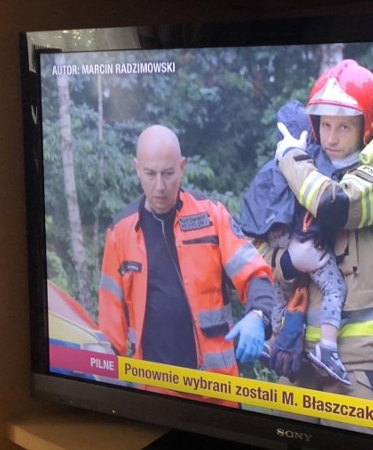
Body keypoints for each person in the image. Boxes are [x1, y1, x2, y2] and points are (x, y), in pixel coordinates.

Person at [266, 59, 373, 435]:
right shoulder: (305, 178)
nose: (330, 138)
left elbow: (331, 205)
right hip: (296, 360)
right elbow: (260, 253)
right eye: (324, 124)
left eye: (343, 126)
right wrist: (289, 261)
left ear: (368, 126)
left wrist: (288, 157)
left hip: (357, 369)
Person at [98, 124, 275, 406]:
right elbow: (110, 327)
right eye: (150, 174)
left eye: (168, 173)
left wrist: (257, 316)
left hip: (218, 391)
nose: (160, 186)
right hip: (153, 392)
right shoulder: (120, 232)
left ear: (182, 167)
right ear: (136, 169)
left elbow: (256, 275)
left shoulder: (211, 217)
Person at [238, 100, 351, 385]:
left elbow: (249, 220)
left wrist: (282, 255)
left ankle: (271, 342)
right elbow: (327, 198)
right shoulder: (311, 160)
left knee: (280, 292)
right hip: (304, 238)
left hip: (274, 237)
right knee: (333, 286)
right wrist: (295, 255)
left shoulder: (267, 169)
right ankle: (328, 349)